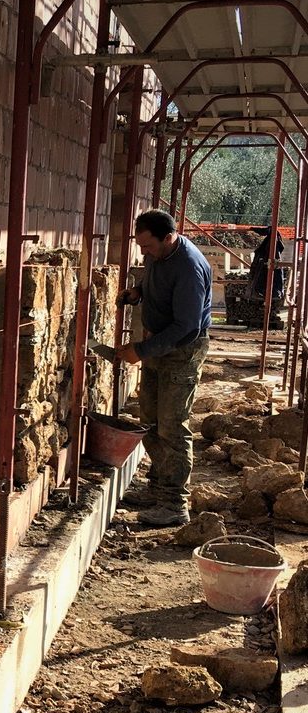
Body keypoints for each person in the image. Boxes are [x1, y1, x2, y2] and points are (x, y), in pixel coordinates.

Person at [115, 209, 212, 528]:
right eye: (140, 246)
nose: (143, 253)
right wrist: (139, 291)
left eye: (147, 247)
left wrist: (141, 350)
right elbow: (153, 275)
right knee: (151, 419)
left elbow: (187, 326)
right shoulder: (159, 252)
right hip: (158, 344)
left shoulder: (189, 267)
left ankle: (174, 503)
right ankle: (157, 487)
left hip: (181, 351)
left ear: (168, 238)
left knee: (172, 424)